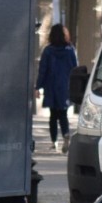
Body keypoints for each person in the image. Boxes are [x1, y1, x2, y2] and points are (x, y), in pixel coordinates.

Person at [35, 23, 78, 152]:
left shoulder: (48, 50)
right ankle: (65, 134)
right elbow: (74, 68)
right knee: (63, 113)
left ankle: (54, 142)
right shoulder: (70, 50)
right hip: (65, 85)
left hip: (51, 85)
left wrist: (38, 86)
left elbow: (43, 69)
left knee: (53, 115)